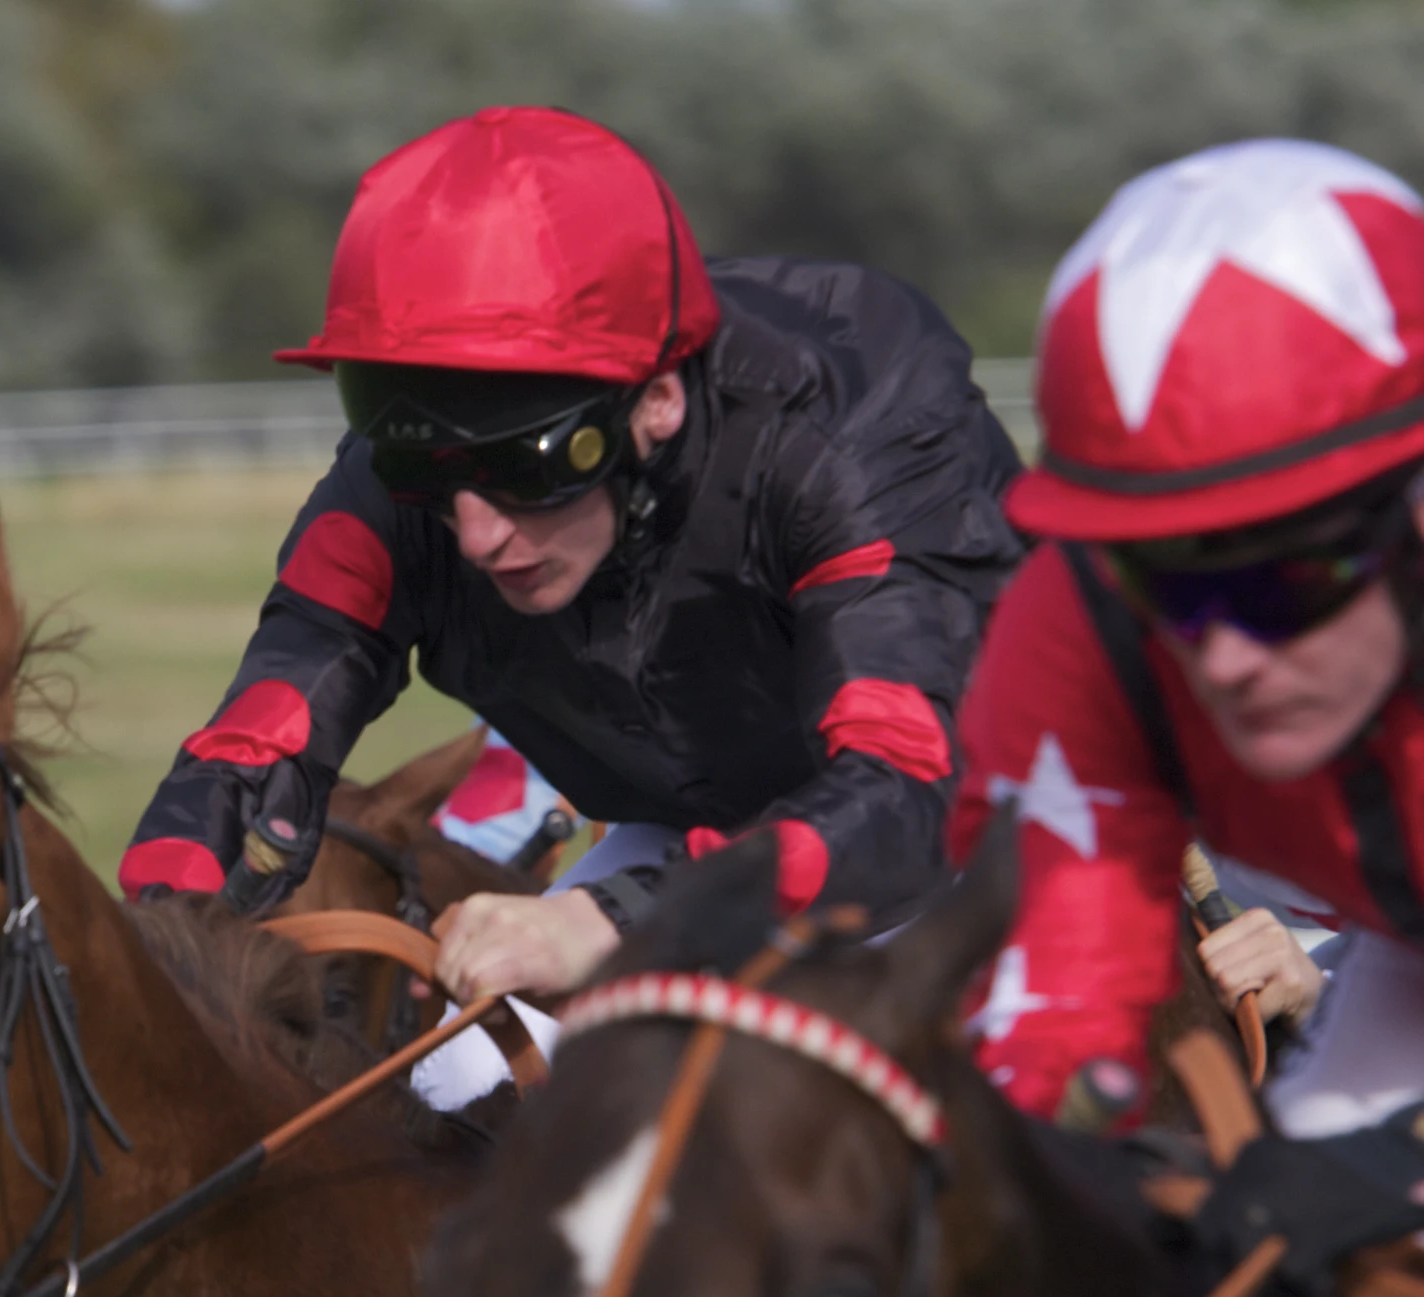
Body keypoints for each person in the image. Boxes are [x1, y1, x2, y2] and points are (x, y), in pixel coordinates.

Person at [118, 106, 1025, 1023]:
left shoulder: (849, 435)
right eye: (424, 468)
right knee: (471, 1105)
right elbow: (249, 751)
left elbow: (907, 782)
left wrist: (615, 917)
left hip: (986, 822)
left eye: (524, 468)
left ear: (657, 399)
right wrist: (149, 937)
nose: (477, 537)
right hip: (695, 835)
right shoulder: (396, 489)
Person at [951, 138, 1424, 1136]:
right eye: (1163, 584)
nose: (1224, 660)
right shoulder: (1071, 628)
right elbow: (1050, 1025)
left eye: (1287, 579)